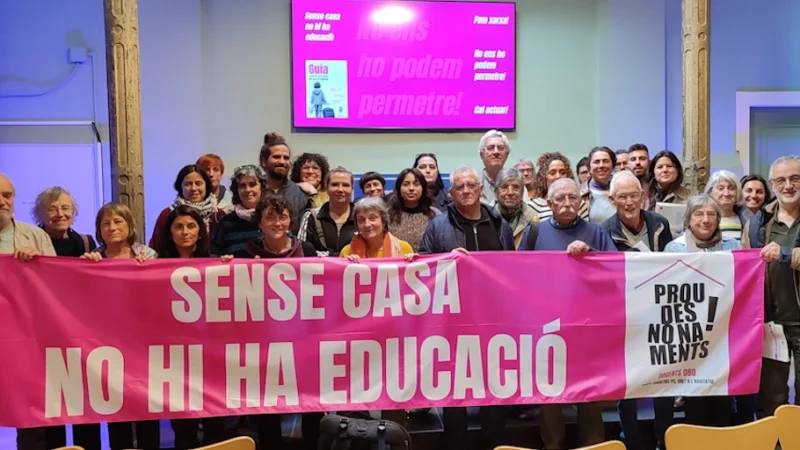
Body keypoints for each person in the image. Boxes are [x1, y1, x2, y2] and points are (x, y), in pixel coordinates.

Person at [419, 165, 513, 450]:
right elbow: (424, 262)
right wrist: (447, 259)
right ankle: (455, 442)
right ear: (451, 193)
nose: (467, 190)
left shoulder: (500, 224)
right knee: (455, 381)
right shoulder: (438, 226)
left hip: (493, 316)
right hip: (453, 316)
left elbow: (511, 267)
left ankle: (494, 442)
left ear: (481, 189)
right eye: (460, 186)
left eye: (472, 185)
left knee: (494, 380)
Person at [517, 177, 612, 449]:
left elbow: (615, 271)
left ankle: (594, 446)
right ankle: (552, 445)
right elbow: (518, 273)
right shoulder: (534, 233)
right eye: (560, 199)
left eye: (573, 198)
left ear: (582, 202)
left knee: (590, 393)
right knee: (550, 393)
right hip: (547, 325)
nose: (567, 204)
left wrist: (591, 255)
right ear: (549, 203)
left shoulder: (596, 233)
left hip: (587, 325)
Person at [227, 194, 322, 450]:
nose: (277, 223)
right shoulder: (246, 254)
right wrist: (225, 267)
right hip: (263, 345)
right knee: (267, 407)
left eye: (282, 217)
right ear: (260, 223)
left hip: (303, 343)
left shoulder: (307, 250)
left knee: (310, 405)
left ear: (290, 221)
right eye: (270, 217)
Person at [601, 171, 674, 450]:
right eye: (622, 197)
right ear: (612, 199)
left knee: (664, 376)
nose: (629, 202)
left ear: (643, 196)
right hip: (625, 315)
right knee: (627, 381)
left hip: (659, 311)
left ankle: (665, 438)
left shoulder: (659, 223)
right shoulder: (604, 230)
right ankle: (630, 440)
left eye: (634, 195)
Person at [81, 202, 158, 449]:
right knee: (117, 407)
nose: (112, 227)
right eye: (106, 223)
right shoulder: (93, 258)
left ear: (129, 225)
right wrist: (83, 268)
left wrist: (151, 272)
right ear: (99, 230)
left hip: (143, 343)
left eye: (118, 221)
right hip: (108, 344)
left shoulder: (148, 256)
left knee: (147, 404)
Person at [664, 194, 741, 427]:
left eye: (711, 214)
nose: (705, 220)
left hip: (725, 333)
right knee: (695, 400)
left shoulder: (733, 246)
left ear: (719, 219)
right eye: (699, 214)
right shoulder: (673, 249)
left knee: (722, 401)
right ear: (688, 219)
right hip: (690, 336)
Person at [154, 206, 228, 447]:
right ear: (170, 232)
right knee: (182, 428)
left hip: (212, 356)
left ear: (200, 231)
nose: (185, 232)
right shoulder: (154, 266)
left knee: (215, 424)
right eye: (178, 226)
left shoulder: (216, 263)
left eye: (191, 226)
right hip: (175, 357)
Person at [1, 174, 58, 450]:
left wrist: (37, 266)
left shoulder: (36, 236)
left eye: (7, 195)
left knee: (30, 416)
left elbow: (57, 289)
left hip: (25, 340)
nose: (2, 201)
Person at [742, 156, 800, 419]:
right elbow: (745, 265)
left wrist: (785, 254)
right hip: (770, 324)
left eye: (795, 179)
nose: (788, 186)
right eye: (780, 180)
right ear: (772, 185)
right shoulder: (758, 222)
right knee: (771, 395)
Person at [149, 164, 226, 250]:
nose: (193, 188)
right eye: (188, 184)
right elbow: (155, 249)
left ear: (206, 186)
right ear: (180, 187)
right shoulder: (167, 214)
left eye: (198, 183)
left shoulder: (218, 215)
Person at [299, 166, 357, 256]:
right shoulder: (311, 216)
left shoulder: (361, 217)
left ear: (352, 188)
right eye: (335, 184)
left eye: (345, 185)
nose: (340, 189)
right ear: (326, 187)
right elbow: (301, 251)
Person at [260, 132, 311, 233]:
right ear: (264, 161)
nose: (282, 162)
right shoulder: (255, 191)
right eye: (277, 157)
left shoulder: (299, 194)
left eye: (286, 158)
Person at [211, 165, 267, 257]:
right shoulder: (226, 222)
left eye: (252, 184)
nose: (248, 190)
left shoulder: (272, 219)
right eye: (242, 186)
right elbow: (214, 254)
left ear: (262, 187)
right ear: (236, 190)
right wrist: (222, 259)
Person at [341, 196, 414, 259]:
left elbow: (413, 274)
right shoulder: (347, 252)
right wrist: (348, 266)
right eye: (361, 220)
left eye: (372, 218)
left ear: (383, 221)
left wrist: (413, 263)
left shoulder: (403, 248)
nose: (367, 224)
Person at [386, 168, 440, 251]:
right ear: (399, 188)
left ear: (423, 188)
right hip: (396, 262)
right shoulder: (387, 215)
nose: (411, 188)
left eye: (416, 184)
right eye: (406, 184)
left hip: (425, 263)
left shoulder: (435, 214)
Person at [529, 152, 589, 221]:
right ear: (544, 177)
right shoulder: (534, 206)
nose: (558, 176)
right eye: (552, 173)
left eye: (562, 172)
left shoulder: (579, 203)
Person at [490, 168, 538, 248]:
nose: (510, 192)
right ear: (496, 192)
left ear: (522, 192)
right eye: (504, 187)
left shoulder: (533, 220)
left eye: (515, 187)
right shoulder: (486, 218)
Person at [478, 129, 528, 204]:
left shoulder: (517, 182)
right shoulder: (474, 183)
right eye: (491, 148)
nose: (496, 152)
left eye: (500, 148)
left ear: (507, 154)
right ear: (482, 155)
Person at [706, 170, 751, 239]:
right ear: (710, 192)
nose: (726, 193)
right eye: (721, 188)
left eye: (731, 188)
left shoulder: (747, 220)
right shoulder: (704, 220)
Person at [585, 146, 618, 224]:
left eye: (606, 161)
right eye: (596, 162)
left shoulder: (620, 190)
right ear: (589, 167)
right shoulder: (581, 194)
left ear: (613, 166)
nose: (601, 165)